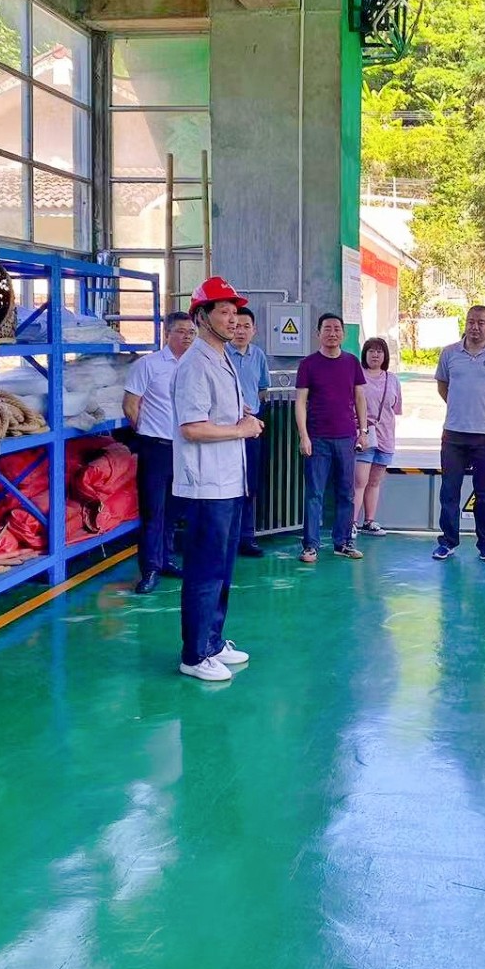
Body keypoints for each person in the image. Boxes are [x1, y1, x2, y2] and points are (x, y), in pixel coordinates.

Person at [172, 277, 265, 682]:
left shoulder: (221, 357)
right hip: (206, 485)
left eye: (234, 312)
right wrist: (241, 429)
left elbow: (220, 412)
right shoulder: (195, 363)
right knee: (205, 571)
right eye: (223, 311)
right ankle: (194, 655)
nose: (233, 319)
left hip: (228, 481)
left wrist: (241, 417)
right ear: (201, 317)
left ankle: (212, 641)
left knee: (223, 570)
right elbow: (192, 427)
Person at [432, 305, 485, 562]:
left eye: (481, 322)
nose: (475, 327)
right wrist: (459, 406)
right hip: (453, 435)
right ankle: (447, 542)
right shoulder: (449, 353)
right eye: (471, 321)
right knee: (449, 492)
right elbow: (443, 385)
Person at [123, 310, 195, 595]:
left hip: (185, 448)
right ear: (167, 334)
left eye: (191, 332)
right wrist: (147, 431)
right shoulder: (148, 365)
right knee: (153, 510)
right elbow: (130, 405)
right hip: (156, 447)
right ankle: (150, 569)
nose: (187, 337)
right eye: (181, 331)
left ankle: (166, 560)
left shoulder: (195, 366)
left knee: (174, 510)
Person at [296, 312, 368, 563]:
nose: (332, 333)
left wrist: (363, 432)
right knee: (314, 494)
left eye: (337, 329)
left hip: (346, 437)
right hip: (317, 439)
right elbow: (300, 402)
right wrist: (304, 436)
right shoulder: (308, 364)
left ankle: (343, 542)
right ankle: (310, 546)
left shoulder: (352, 362)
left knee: (346, 493)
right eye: (327, 328)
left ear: (343, 334)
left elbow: (360, 398)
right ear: (318, 333)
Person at [227, 305, 272, 558]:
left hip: (252, 428)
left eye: (246, 326)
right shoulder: (221, 354)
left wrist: (251, 412)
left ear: (254, 330)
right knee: (228, 484)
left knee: (250, 484)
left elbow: (263, 389)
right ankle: (228, 538)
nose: (241, 331)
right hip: (225, 429)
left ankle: (247, 537)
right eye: (237, 326)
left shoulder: (258, 356)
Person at [353, 336, 403, 536]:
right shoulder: (357, 376)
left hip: (385, 437)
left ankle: (369, 521)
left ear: (385, 355)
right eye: (371, 351)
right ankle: (351, 523)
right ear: (365, 354)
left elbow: (395, 408)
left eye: (379, 351)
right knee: (359, 482)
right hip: (363, 437)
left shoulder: (393, 380)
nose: (375, 355)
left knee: (374, 482)